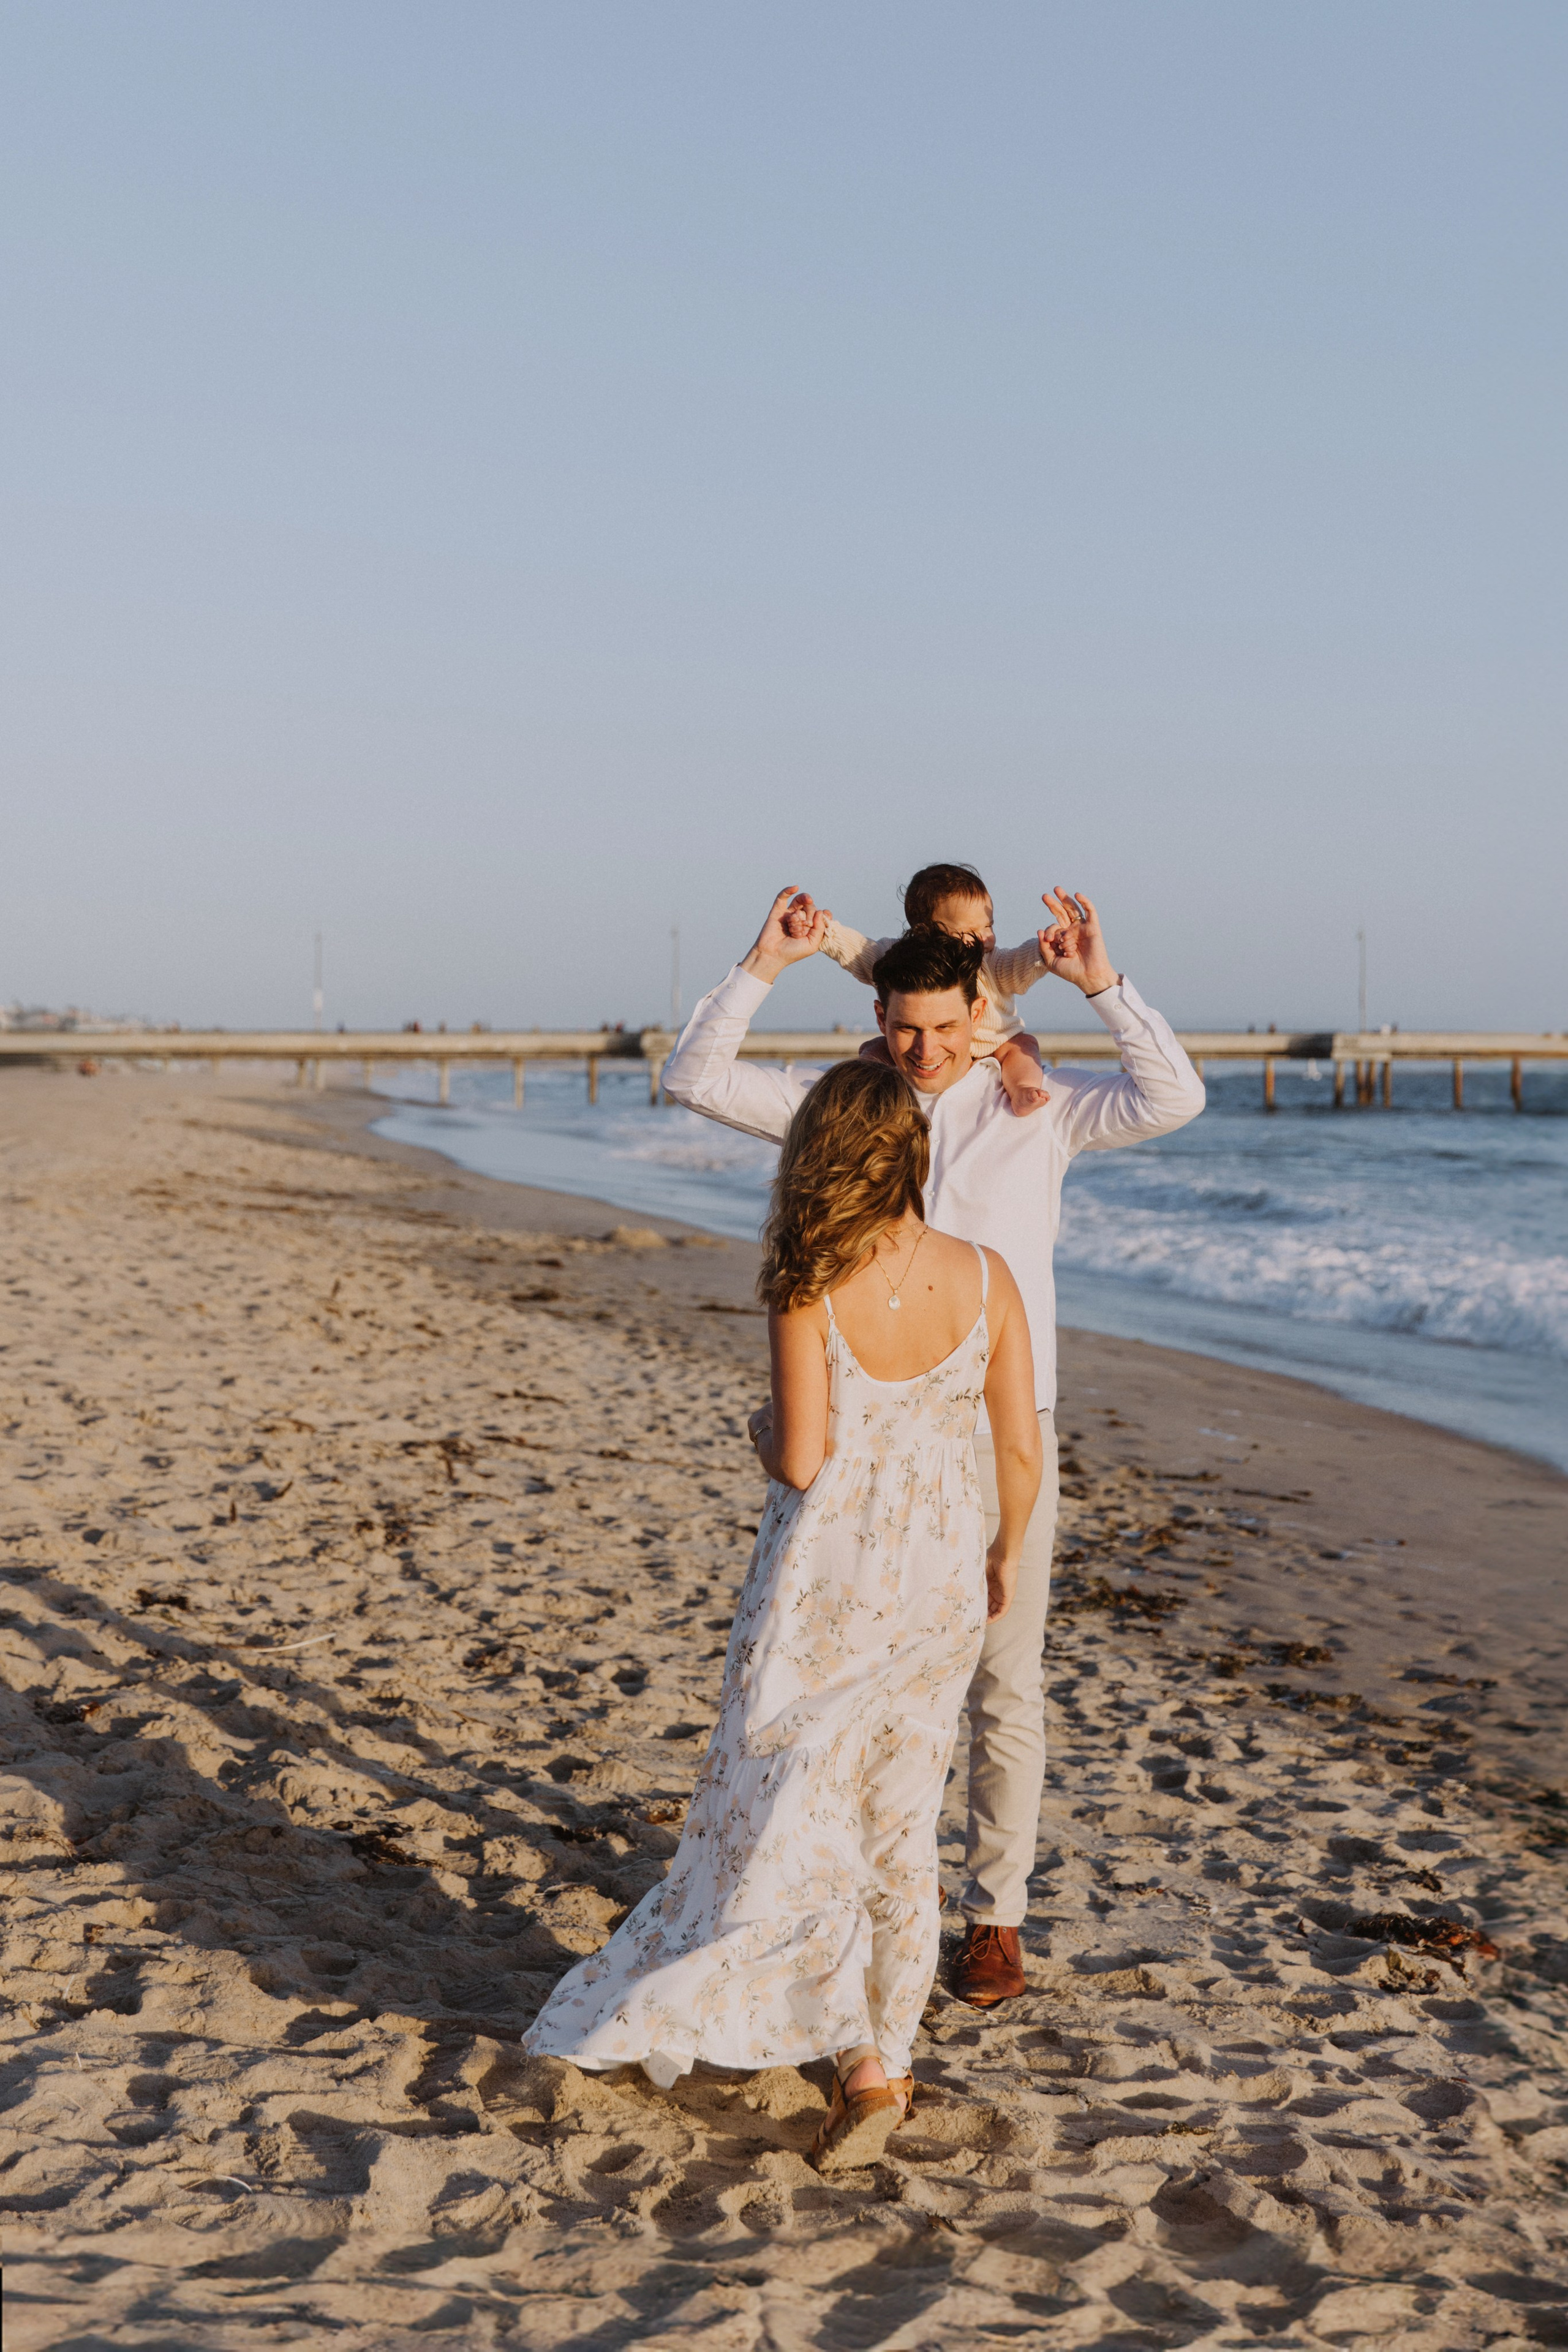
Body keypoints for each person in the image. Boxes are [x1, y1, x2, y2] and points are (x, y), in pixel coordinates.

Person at [663, 884, 1205, 2008]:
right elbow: (695, 1078)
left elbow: (1174, 1095)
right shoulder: (849, 1111)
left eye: (947, 1030)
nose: (925, 1049)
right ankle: (848, 1900)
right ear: (880, 1021)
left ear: (982, 1017)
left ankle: (994, 1920)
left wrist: (1102, 981)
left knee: (1003, 1682)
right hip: (865, 1440)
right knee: (855, 1682)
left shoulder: (1040, 1110)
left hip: (1008, 1432)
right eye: (905, 1029)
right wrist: (763, 962)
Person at [524, 1060, 1042, 2173]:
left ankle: (808, 2028)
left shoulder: (808, 1275)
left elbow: (805, 1458)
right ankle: (880, 2065)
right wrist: (1002, 1551)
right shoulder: (991, 1278)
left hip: (824, 1585)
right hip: (940, 1580)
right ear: (913, 1156)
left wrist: (762, 1436)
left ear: (817, 1156)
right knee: (902, 1826)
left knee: (786, 1796)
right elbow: (1021, 1451)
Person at [816, 859, 1054, 1117]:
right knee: (873, 1050)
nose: (988, 937)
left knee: (1024, 1046)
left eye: (989, 925)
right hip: (926, 1056)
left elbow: (1021, 962)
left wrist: (1046, 949)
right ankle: (869, 1096)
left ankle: (1021, 1091)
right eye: (971, 931)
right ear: (926, 931)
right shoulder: (901, 958)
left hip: (997, 1044)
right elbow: (858, 950)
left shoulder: (992, 963)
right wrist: (825, 932)